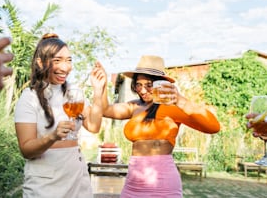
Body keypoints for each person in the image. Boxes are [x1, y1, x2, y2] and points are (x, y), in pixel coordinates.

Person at [101, 55, 220, 198]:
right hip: (133, 182)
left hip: (162, 182)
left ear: (160, 84)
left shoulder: (172, 107)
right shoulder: (135, 106)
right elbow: (104, 110)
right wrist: (100, 87)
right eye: (139, 84)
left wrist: (180, 100)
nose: (143, 91)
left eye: (149, 85)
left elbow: (213, 126)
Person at [14, 33, 106, 197]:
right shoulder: (29, 97)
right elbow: (26, 150)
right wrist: (53, 136)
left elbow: (93, 126)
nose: (65, 67)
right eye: (57, 60)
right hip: (46, 184)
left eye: (69, 60)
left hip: (78, 180)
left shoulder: (74, 92)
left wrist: (98, 93)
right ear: (40, 62)